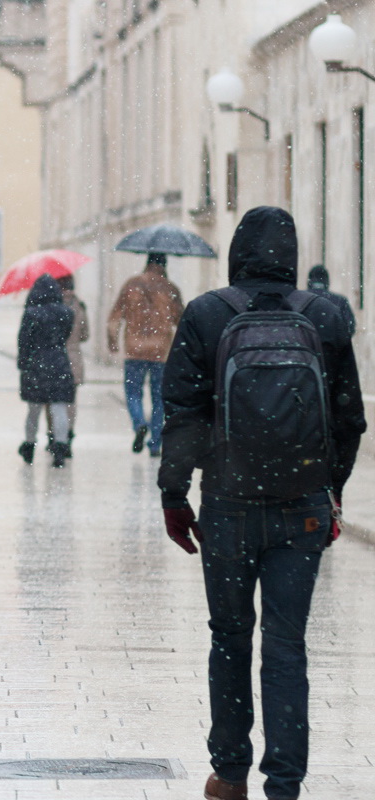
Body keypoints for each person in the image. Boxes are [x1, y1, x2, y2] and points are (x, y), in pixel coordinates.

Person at [159, 207, 366, 800]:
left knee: (229, 636)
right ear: (292, 253)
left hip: (227, 503)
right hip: (301, 504)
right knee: (286, 643)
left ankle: (228, 773)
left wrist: (175, 495)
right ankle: (285, 783)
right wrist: (332, 494)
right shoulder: (324, 315)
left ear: (236, 252)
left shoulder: (206, 313)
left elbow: (183, 414)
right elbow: (350, 419)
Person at [107, 251, 184, 456]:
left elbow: (114, 319)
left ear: (147, 262)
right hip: (161, 352)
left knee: (133, 392)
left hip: (134, 350)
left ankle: (139, 423)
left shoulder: (132, 284)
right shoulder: (170, 289)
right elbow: (182, 321)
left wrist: (112, 341)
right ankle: (155, 443)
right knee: (159, 397)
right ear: (164, 265)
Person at [16, 274, 75, 468]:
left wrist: (23, 364)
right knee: (59, 407)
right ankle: (60, 446)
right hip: (59, 363)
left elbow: (23, 342)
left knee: (34, 409)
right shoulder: (66, 313)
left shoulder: (31, 313)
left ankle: (29, 445)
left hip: (36, 366)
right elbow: (64, 336)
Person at [55, 274, 89, 448]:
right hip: (74, 358)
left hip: (57, 358)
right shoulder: (80, 306)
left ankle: (55, 435)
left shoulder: (54, 306)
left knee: (54, 400)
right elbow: (85, 335)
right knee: (71, 400)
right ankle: (68, 432)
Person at [307, 264, 357, 336]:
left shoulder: (299, 298)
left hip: (307, 344)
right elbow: (350, 327)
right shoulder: (340, 300)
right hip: (331, 344)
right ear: (327, 281)